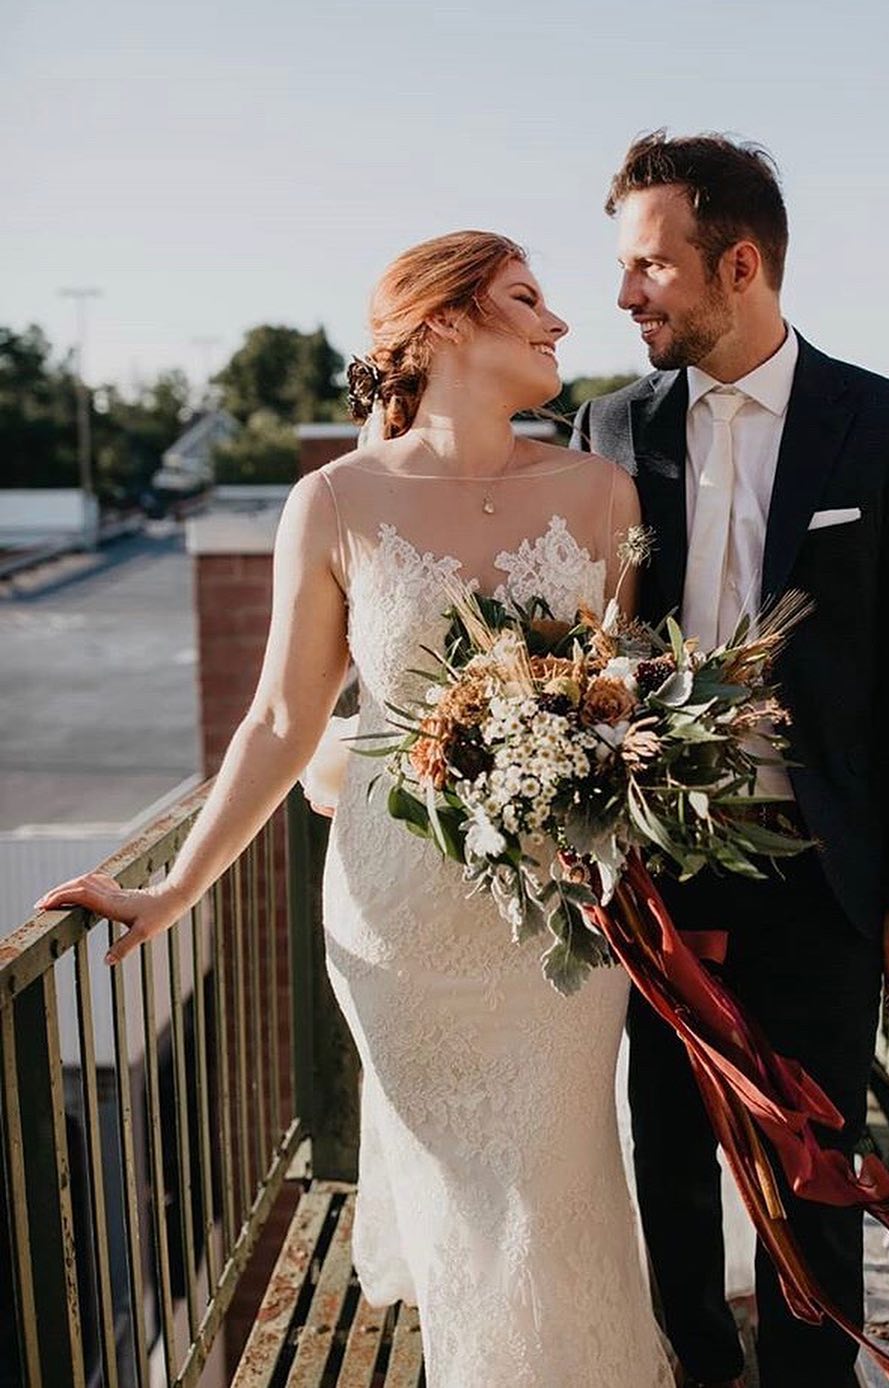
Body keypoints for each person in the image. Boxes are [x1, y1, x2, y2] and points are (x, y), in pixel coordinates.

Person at [34, 231, 675, 1388]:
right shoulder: (331, 502)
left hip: (557, 915)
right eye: (526, 298)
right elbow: (282, 720)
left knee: (557, 1172)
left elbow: (619, 699)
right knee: (467, 1204)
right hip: (398, 914)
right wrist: (174, 884)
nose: (560, 322)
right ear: (439, 326)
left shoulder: (599, 491)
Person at [573, 133, 889, 1388]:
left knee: (815, 1155)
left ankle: (814, 1376)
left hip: (820, 867)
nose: (626, 294)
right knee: (669, 1154)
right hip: (651, 865)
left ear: (736, 263)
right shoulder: (606, 427)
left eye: (650, 266)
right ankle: (696, 1363)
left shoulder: (887, 426)